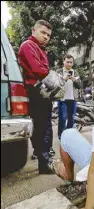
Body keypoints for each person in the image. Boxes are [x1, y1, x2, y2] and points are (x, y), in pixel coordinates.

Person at [18, 20, 54, 174]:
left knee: (45, 127)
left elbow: (43, 68)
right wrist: (52, 75)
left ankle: (45, 160)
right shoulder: (28, 45)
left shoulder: (40, 49)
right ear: (34, 31)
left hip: (42, 91)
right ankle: (44, 164)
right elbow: (38, 68)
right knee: (42, 128)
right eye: (43, 32)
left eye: (48, 35)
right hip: (35, 91)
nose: (46, 37)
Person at [56, 54, 81, 139]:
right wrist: (64, 79)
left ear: (73, 63)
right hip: (62, 99)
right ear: (63, 61)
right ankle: (61, 136)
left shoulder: (75, 72)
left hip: (72, 99)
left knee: (71, 118)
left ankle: (69, 136)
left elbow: (80, 85)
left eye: (71, 62)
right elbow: (55, 84)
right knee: (62, 118)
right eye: (67, 62)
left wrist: (75, 81)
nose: (69, 64)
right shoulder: (59, 71)